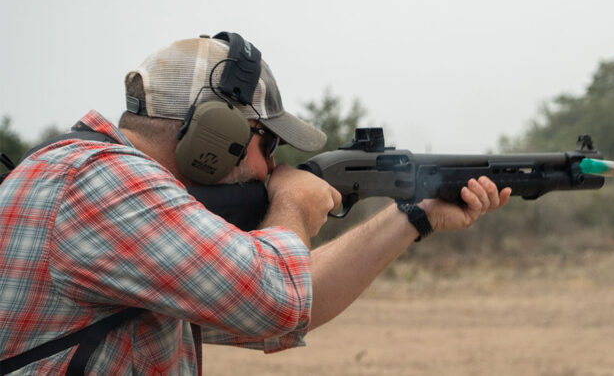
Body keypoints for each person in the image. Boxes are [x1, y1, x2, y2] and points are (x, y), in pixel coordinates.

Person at [0, 32, 511, 374]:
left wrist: (412, 217)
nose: (272, 167)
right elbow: (275, 301)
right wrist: (291, 207)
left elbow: (293, 311)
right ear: (214, 132)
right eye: (266, 143)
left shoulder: (85, 176)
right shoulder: (103, 182)